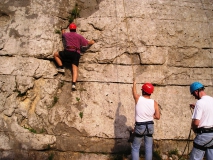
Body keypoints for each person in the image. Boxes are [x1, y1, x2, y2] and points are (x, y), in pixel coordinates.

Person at [54, 23, 95, 90]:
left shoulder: (66, 35)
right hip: (76, 53)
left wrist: (63, 29)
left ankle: (61, 67)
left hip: (68, 52)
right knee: (75, 68)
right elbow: (87, 43)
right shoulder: (79, 36)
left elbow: (63, 33)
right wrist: (92, 42)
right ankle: (73, 84)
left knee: (56, 54)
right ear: (75, 29)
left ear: (70, 29)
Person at [131, 80, 160, 160]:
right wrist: (150, 116)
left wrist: (134, 84)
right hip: (150, 126)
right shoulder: (154, 102)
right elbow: (157, 116)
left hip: (140, 126)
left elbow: (134, 93)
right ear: (151, 92)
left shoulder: (138, 98)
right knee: (148, 148)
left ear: (143, 91)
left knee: (135, 147)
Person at [189, 82, 213, 160]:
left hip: (204, 135)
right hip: (212, 134)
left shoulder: (200, 103)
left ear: (196, 91)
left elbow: (196, 122)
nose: (195, 97)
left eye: (193, 94)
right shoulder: (211, 100)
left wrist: (193, 128)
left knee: (195, 157)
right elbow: (208, 111)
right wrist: (196, 108)